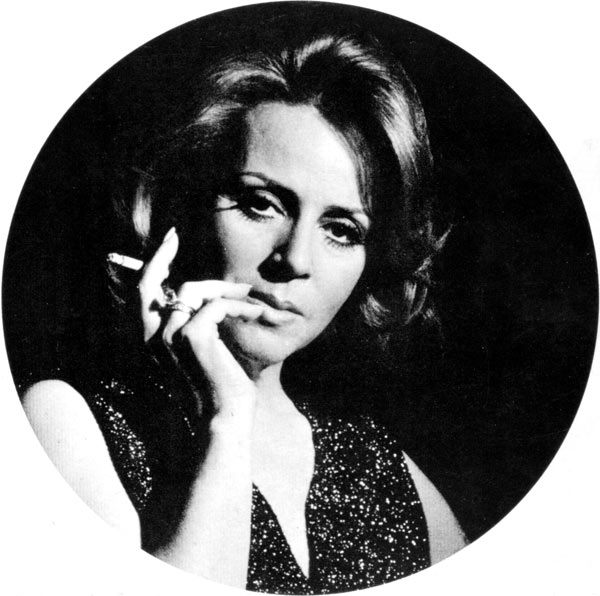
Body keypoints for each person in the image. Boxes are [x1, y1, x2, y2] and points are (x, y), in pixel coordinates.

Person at [22, 33, 466, 593]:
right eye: (261, 204)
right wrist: (227, 419)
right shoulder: (65, 422)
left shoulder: (383, 469)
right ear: (182, 204)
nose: (295, 260)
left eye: (341, 230)